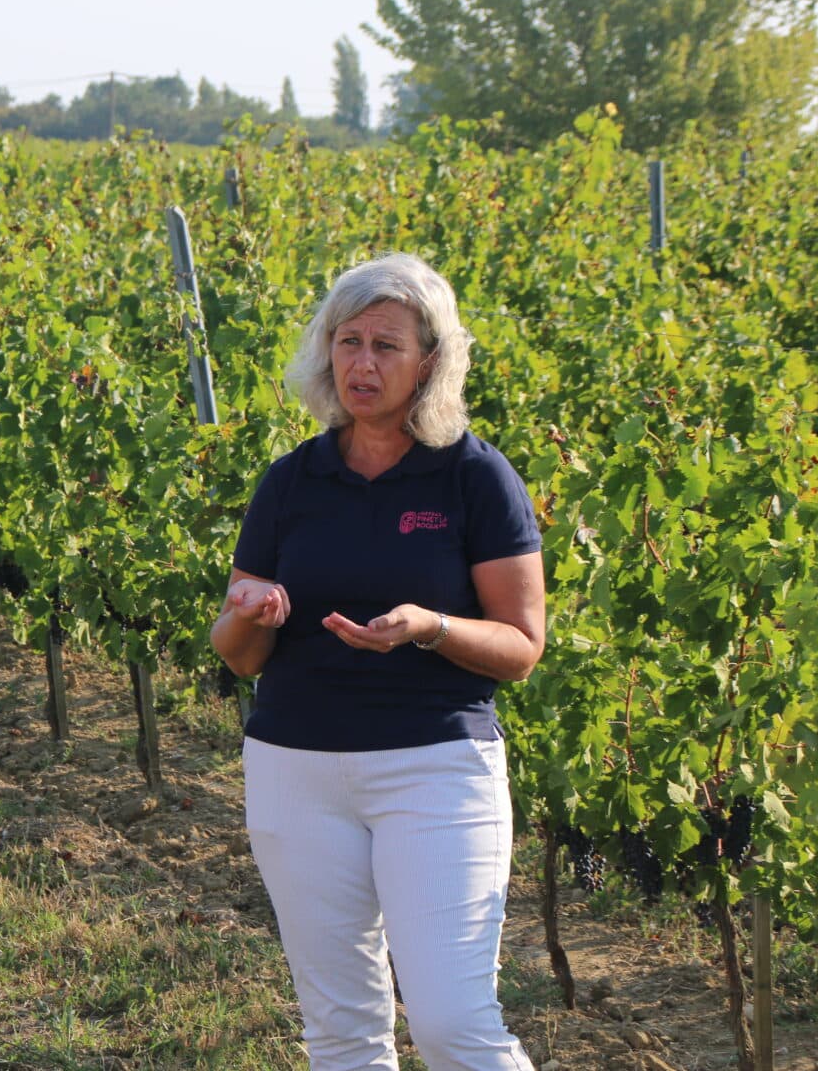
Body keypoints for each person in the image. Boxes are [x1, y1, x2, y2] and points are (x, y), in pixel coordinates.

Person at [210, 253, 546, 1071]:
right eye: (348, 340)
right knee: (341, 1035)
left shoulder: (475, 477)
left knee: (451, 1023)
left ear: (430, 360)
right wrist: (252, 615)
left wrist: (431, 626)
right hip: (296, 770)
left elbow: (521, 648)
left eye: (386, 346)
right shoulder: (292, 481)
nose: (363, 363)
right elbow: (236, 651)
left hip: (434, 768)